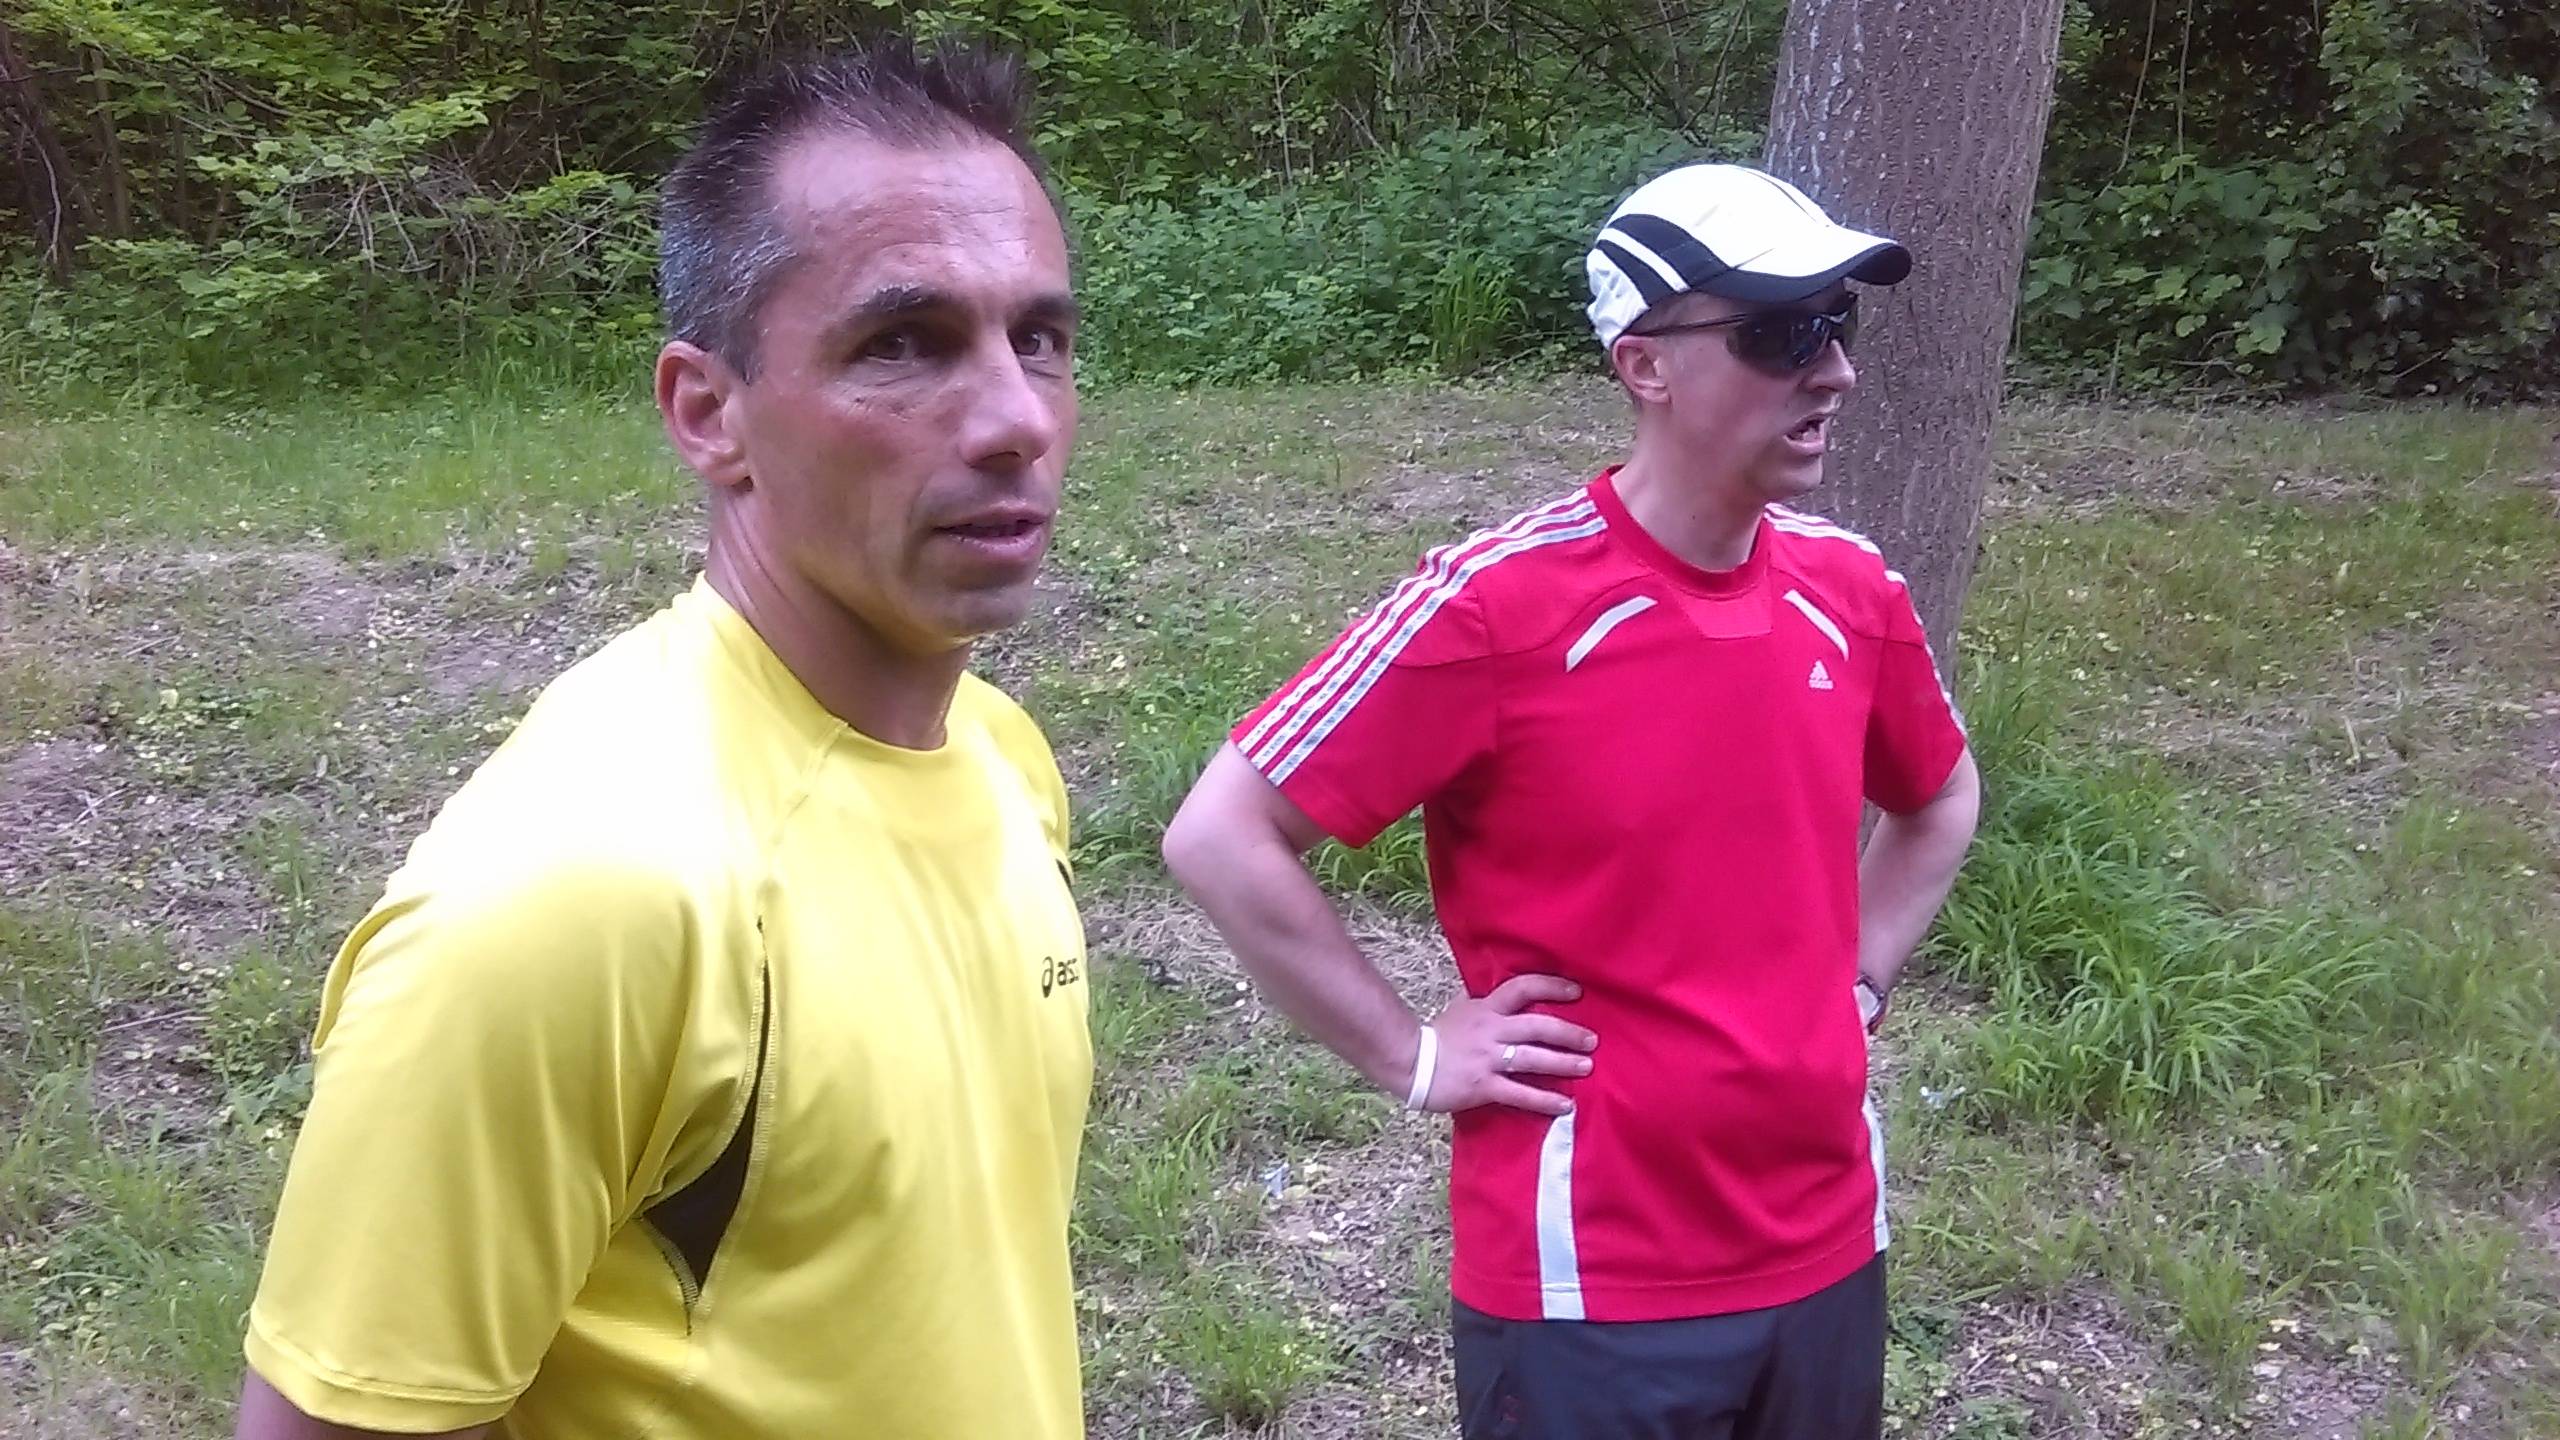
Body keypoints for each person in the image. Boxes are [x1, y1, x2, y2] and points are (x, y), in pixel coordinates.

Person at [234, 38, 1091, 1440]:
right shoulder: (581, 901)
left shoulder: (998, 757)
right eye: (903, 344)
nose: (1014, 419)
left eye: (1038, 339)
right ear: (710, 412)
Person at [1163, 162, 1982, 1439]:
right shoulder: (1496, 605)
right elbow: (1222, 835)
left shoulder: (1850, 588)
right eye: (1778, 334)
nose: (1832, 371)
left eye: (1838, 324)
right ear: (1643, 364)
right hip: (1586, 1276)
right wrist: (1410, 1053)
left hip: (1827, 1238)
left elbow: (1937, 797)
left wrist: (1858, 980)